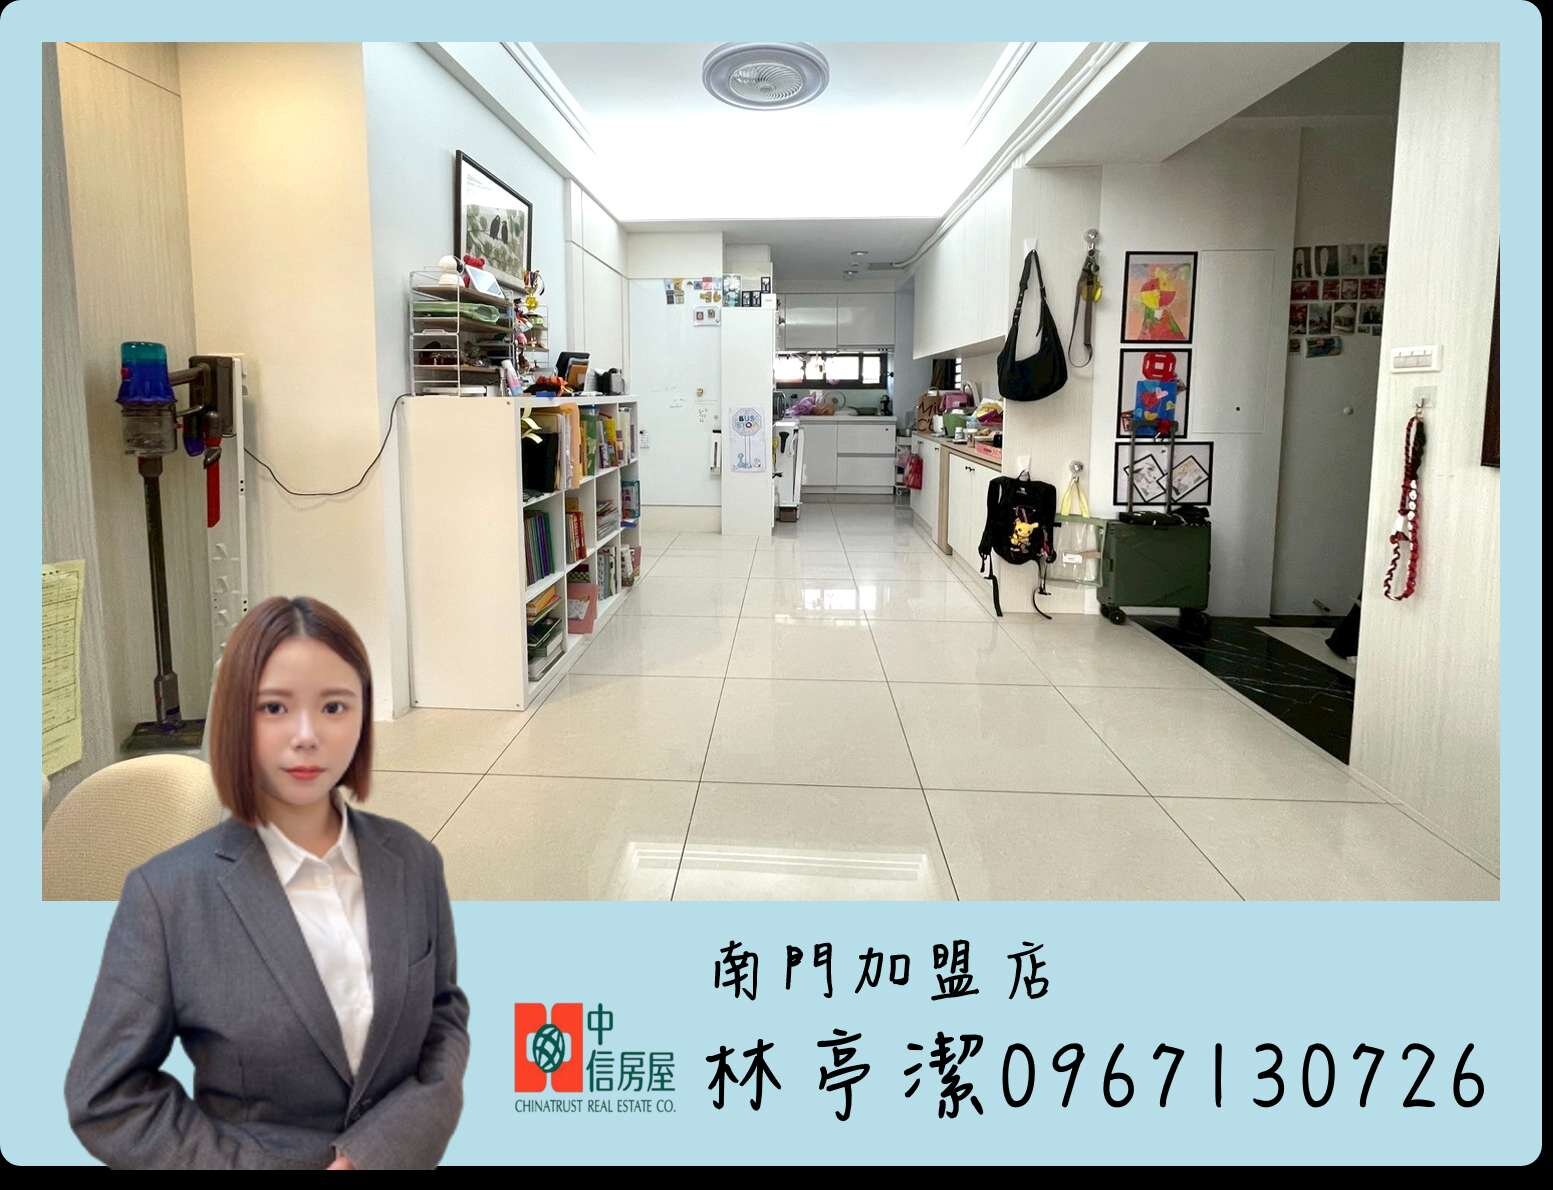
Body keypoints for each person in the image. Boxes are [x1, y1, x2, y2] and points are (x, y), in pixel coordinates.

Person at [65, 597, 469, 1169]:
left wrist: (375, 1154)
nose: (306, 735)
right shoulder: (166, 897)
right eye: (275, 707)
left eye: (334, 706)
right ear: (237, 718)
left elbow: (444, 1018)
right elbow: (106, 1098)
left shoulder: (414, 861)